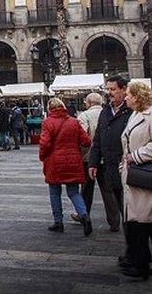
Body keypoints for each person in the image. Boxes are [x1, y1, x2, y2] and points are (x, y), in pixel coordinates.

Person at [119, 81, 152, 280]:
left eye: (128, 95)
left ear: (138, 96)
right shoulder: (135, 114)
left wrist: (136, 156)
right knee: (146, 221)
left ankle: (140, 266)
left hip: (149, 172)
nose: (125, 98)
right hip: (136, 172)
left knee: (140, 220)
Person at [88, 74, 133, 238]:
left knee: (130, 213)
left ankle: (136, 251)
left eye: (113, 89)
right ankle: (132, 250)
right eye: (107, 89)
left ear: (123, 90)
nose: (109, 92)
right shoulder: (106, 111)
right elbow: (98, 138)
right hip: (110, 167)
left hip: (128, 167)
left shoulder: (131, 111)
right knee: (121, 207)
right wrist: (93, 162)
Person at [39, 98, 92, 235]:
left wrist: (42, 156)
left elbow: (45, 143)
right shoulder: (74, 122)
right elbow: (86, 141)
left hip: (54, 161)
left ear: (50, 109)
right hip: (73, 160)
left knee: (54, 192)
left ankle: (58, 222)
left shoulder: (48, 122)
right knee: (74, 192)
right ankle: (84, 215)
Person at [75, 92, 120, 230]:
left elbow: (82, 137)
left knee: (86, 189)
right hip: (106, 158)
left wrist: (81, 154)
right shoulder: (109, 114)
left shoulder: (84, 116)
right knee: (108, 190)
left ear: (88, 103)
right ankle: (114, 221)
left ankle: (84, 215)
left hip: (89, 158)